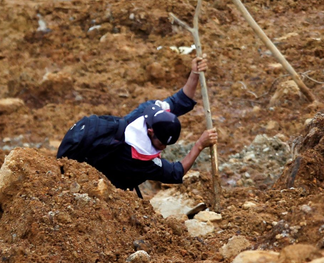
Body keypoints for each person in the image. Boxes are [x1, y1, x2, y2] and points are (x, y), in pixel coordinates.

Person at [57, 56, 218, 198]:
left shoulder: (146, 112)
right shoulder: (138, 157)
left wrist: (194, 74)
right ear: (150, 131)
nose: (162, 148)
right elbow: (176, 173)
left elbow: (179, 101)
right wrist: (199, 145)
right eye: (161, 143)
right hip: (101, 179)